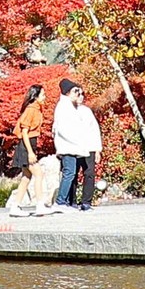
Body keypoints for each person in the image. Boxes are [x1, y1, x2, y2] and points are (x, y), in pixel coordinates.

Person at [52, 80, 102, 211]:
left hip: (86, 146)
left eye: (81, 93)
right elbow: (59, 128)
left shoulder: (85, 111)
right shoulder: (65, 107)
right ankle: (66, 201)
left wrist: (97, 149)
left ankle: (85, 202)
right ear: (68, 92)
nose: (79, 95)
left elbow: (94, 130)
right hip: (72, 146)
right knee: (71, 174)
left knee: (87, 173)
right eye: (76, 92)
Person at [7, 84, 53, 216]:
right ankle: (40, 205)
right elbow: (25, 132)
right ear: (36, 96)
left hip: (29, 145)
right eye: (43, 95)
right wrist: (31, 153)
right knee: (39, 174)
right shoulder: (31, 110)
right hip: (27, 146)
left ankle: (15, 206)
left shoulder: (37, 109)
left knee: (26, 177)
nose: (45, 97)